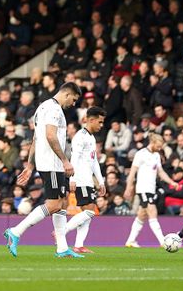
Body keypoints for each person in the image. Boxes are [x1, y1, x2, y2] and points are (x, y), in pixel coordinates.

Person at [3, 81, 84, 259]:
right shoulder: (54, 110)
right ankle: (16, 231)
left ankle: (62, 248)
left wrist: (30, 165)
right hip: (53, 163)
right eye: (74, 99)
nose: (74, 104)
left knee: (62, 203)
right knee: (55, 204)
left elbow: (36, 138)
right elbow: (49, 136)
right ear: (67, 94)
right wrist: (65, 161)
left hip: (49, 162)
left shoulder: (42, 108)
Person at [62, 106, 105, 254]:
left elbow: (94, 162)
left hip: (87, 180)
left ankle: (79, 245)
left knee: (88, 214)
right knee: (90, 211)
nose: (101, 125)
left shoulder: (91, 138)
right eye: (99, 122)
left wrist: (101, 181)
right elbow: (74, 158)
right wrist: (72, 179)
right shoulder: (80, 136)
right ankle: (62, 232)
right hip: (80, 179)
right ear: (91, 120)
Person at [123, 132, 177, 249]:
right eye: (158, 146)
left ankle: (130, 241)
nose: (159, 148)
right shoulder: (140, 154)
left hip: (151, 189)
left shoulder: (156, 155)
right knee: (152, 211)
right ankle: (163, 241)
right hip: (143, 188)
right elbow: (132, 172)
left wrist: (171, 182)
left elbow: (161, 172)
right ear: (152, 142)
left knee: (142, 215)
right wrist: (128, 188)